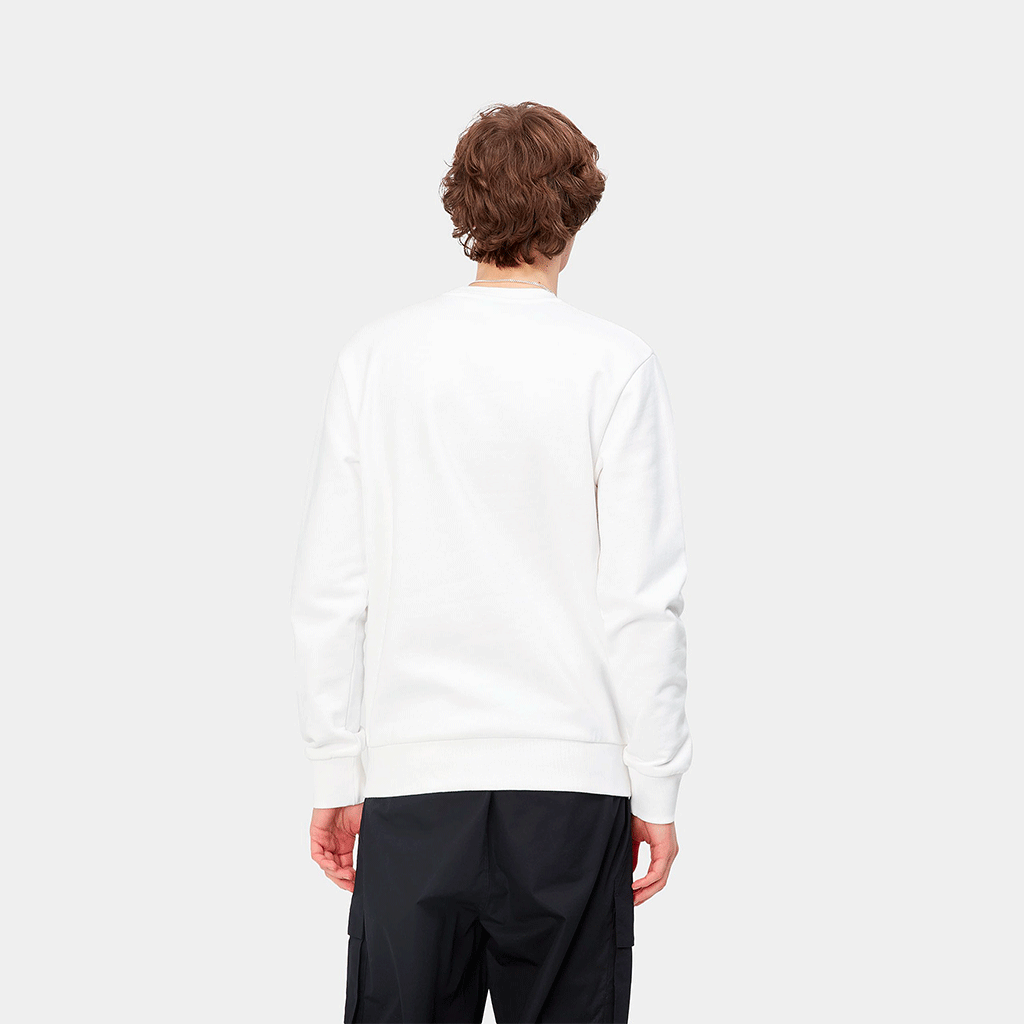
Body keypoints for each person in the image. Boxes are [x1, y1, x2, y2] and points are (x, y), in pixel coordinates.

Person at [289, 100, 692, 1024]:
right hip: (571, 791)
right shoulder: (614, 364)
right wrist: (656, 783)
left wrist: (335, 772)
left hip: (415, 785)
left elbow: (331, 590)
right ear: (577, 213)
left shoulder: (378, 358)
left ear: (463, 206)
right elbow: (642, 601)